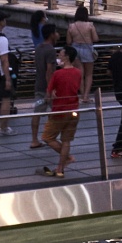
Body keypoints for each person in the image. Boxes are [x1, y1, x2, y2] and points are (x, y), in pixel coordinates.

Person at [38, 47, 81, 176]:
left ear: (66, 57)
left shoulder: (57, 74)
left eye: (61, 54)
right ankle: (60, 169)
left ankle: (67, 158)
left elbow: (48, 94)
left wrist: (51, 94)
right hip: (74, 110)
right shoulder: (78, 73)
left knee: (47, 137)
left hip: (59, 111)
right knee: (66, 140)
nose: (59, 56)